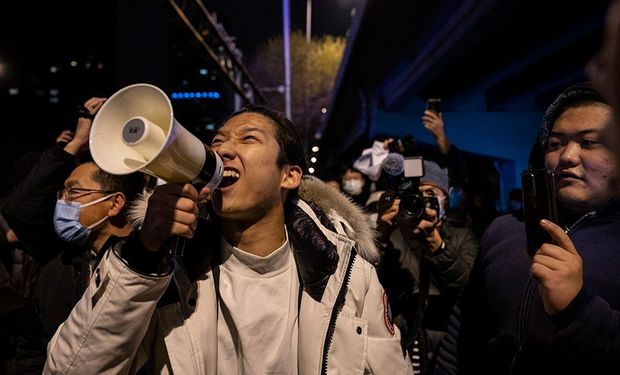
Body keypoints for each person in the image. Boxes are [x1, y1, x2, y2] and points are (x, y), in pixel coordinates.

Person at [44, 104, 413, 374]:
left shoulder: (347, 273)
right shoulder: (171, 270)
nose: (221, 150)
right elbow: (70, 368)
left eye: (248, 138)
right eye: (217, 142)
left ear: (290, 176)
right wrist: (144, 255)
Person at [433, 83, 620, 375]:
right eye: (555, 143)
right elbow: (464, 326)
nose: (567, 156)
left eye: (589, 142)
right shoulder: (504, 229)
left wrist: (578, 311)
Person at [1, 97, 149, 374]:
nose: (63, 202)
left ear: (115, 203)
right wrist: (76, 143)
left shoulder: (149, 262)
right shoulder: (58, 260)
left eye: (73, 192)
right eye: (63, 192)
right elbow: (20, 208)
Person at [375, 160, 479, 374]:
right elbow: (369, 284)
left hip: (447, 350)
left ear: (446, 201)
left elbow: (469, 289)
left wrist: (434, 241)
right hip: (397, 348)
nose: (421, 201)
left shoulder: (463, 236)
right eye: (416, 195)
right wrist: (381, 234)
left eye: (430, 193)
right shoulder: (396, 237)